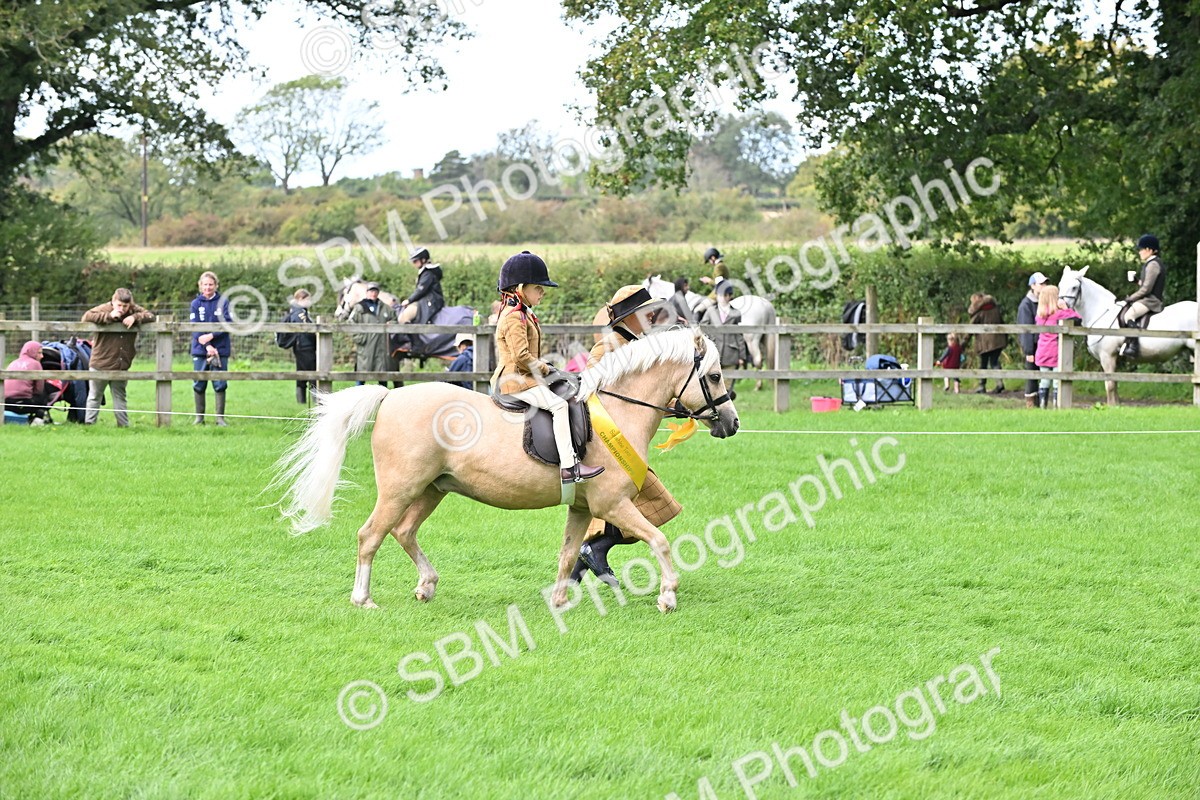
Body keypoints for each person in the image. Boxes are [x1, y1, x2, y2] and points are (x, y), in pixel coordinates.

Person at [570, 285, 679, 585]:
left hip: (625, 444)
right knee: (650, 504)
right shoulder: (609, 345)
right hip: (609, 445)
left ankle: (579, 568)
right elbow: (589, 389)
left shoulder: (636, 343)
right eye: (647, 312)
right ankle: (593, 550)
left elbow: (641, 397)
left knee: (651, 505)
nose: (652, 315)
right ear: (630, 317)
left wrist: (673, 407)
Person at [491, 250, 604, 484]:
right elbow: (521, 356)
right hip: (516, 380)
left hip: (526, 376)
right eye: (538, 288)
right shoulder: (514, 317)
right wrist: (544, 368)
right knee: (559, 406)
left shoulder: (523, 314)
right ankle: (569, 468)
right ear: (520, 288)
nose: (542, 293)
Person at [81, 288, 155, 426]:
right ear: (113, 301)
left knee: (120, 396)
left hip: (121, 364)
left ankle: (123, 425)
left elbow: (151, 316)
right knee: (94, 396)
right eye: (119, 305)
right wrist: (109, 316)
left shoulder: (134, 310)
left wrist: (135, 317)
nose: (122, 309)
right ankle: (89, 425)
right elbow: (87, 316)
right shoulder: (103, 308)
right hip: (100, 362)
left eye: (125, 306)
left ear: (130, 304)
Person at [190, 270, 231, 426]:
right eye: (205, 284)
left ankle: (220, 418)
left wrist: (212, 336)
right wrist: (207, 345)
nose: (208, 287)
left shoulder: (224, 302)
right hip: (200, 350)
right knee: (199, 383)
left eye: (211, 284)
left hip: (220, 348)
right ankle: (199, 418)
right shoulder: (195, 304)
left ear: (216, 285)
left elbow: (228, 322)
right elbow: (194, 328)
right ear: (200, 286)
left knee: (220, 382)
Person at [1119, 234, 1167, 358]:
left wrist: (1130, 298)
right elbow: (1145, 284)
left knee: (1129, 315)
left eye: (1141, 249)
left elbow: (1146, 289)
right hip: (1147, 299)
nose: (1140, 252)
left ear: (1149, 250)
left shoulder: (1153, 264)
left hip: (1151, 301)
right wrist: (1136, 281)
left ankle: (1134, 346)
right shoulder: (1151, 263)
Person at [1034, 284, 1082, 408]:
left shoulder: (1040, 316)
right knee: (1057, 381)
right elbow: (1078, 319)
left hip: (1042, 351)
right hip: (1056, 352)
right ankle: (1056, 406)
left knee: (1044, 380)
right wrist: (1066, 308)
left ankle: (1042, 405)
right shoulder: (1059, 314)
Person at [348, 282, 397, 388]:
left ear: (378, 293)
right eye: (371, 291)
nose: (373, 293)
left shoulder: (385, 308)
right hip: (366, 347)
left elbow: (394, 319)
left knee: (382, 373)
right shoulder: (360, 307)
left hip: (381, 347)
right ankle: (358, 396)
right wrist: (360, 338)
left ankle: (383, 396)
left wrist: (391, 324)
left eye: (375, 291)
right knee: (362, 373)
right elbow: (351, 324)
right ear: (367, 293)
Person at [699, 280, 750, 380]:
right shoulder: (710, 311)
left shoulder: (736, 313)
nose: (719, 298)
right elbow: (703, 329)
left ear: (728, 296)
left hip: (731, 354)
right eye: (718, 295)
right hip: (713, 353)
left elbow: (739, 335)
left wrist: (742, 356)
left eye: (722, 295)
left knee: (727, 387)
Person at [279, 289, 317, 404]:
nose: (309, 302)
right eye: (308, 299)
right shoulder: (299, 313)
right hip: (305, 346)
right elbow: (306, 330)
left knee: (302, 373)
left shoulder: (296, 311)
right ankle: (314, 400)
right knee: (312, 375)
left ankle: (302, 401)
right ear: (301, 299)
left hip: (301, 346)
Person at [966, 292, 1007, 393]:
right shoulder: (995, 309)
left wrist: (963, 342)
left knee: (983, 364)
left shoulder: (979, 312)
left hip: (984, 343)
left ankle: (981, 385)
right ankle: (999, 382)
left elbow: (971, 328)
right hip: (998, 340)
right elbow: (1002, 323)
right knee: (995, 361)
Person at [1017, 272, 1047, 409]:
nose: (1044, 286)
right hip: (1034, 345)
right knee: (1032, 375)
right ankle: (1031, 403)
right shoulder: (1026, 305)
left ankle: (1041, 402)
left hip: (1043, 344)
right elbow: (1026, 330)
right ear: (1033, 286)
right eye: (1041, 284)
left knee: (1041, 375)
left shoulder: (1044, 302)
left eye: (1045, 283)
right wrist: (1029, 351)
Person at [397, 246, 445, 325]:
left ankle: (408, 336)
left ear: (423, 259)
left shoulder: (428, 273)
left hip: (431, 301)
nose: (414, 263)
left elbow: (421, 290)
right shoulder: (426, 272)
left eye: (415, 261)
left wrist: (409, 300)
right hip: (426, 300)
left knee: (404, 317)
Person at [3, 341, 48, 424]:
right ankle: (38, 419)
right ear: (32, 352)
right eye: (39, 353)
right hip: (25, 403)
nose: (42, 356)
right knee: (44, 394)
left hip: (7, 403)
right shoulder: (36, 364)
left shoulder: (13, 363)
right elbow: (39, 390)